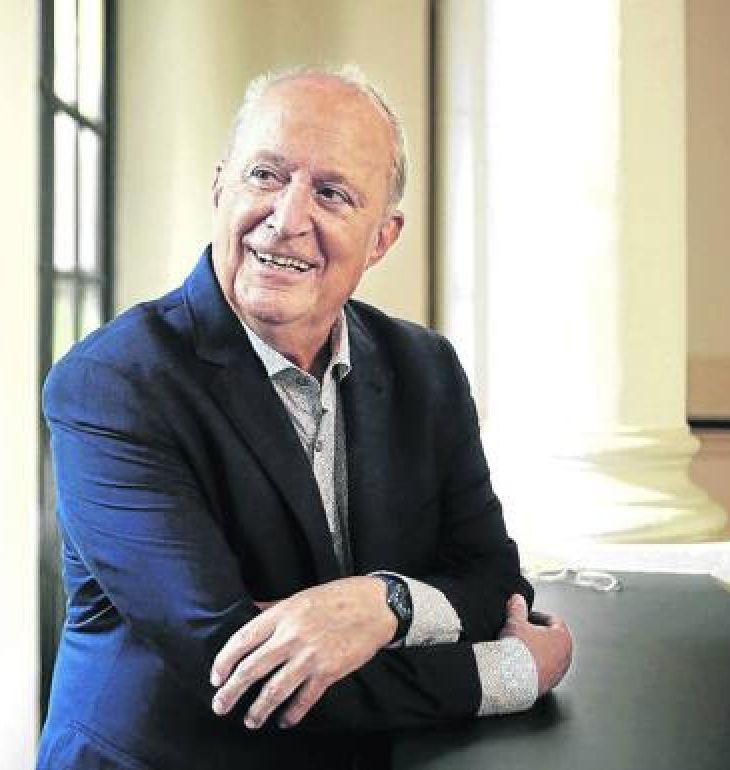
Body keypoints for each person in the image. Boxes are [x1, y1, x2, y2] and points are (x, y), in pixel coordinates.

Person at [37, 65, 573, 770]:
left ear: (382, 238)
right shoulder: (112, 384)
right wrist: (507, 672)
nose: (287, 219)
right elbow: (237, 666)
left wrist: (383, 604)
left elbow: (492, 582)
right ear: (220, 188)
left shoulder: (427, 369)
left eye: (331, 193)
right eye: (265, 175)